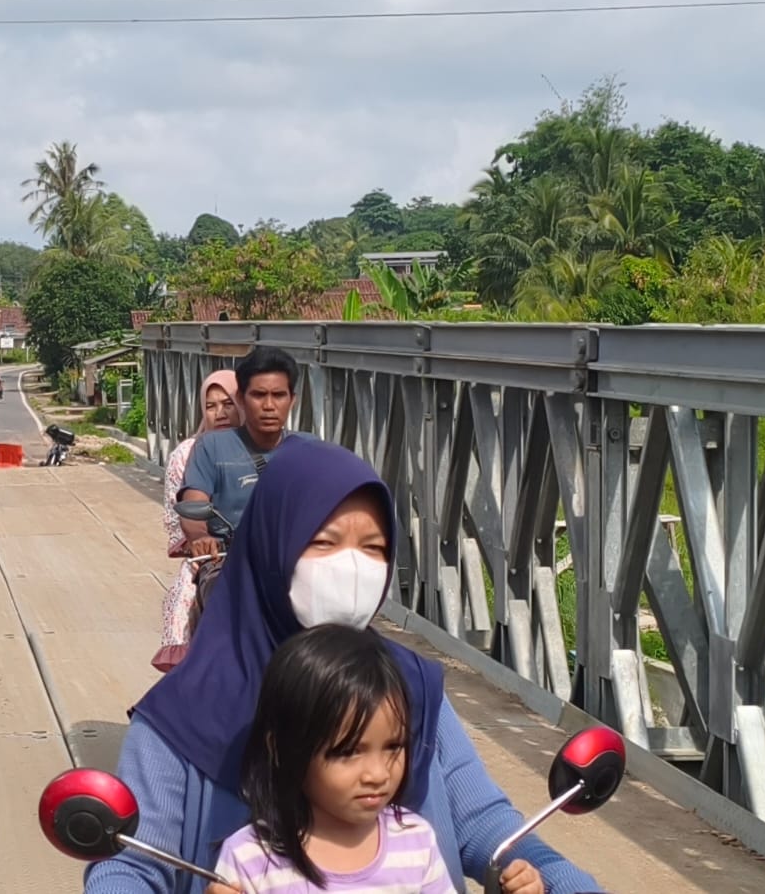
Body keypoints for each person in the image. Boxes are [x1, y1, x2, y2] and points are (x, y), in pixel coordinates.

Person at [83, 436, 599, 894]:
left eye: (373, 548)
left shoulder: (405, 687)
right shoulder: (184, 715)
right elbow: (130, 866)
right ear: (271, 545)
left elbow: (486, 826)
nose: (351, 568)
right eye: (324, 542)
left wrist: (557, 881)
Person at [212, 624, 541, 894]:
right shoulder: (250, 860)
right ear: (282, 749)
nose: (377, 773)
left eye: (393, 747)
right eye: (349, 751)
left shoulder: (415, 842)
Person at [178, 345, 315, 557]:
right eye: (259, 395)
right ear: (241, 399)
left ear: (292, 400)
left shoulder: (311, 449)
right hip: (229, 562)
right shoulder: (211, 446)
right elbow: (194, 501)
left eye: (278, 395)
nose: (269, 405)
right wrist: (200, 537)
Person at [154, 369, 242, 672]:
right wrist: (200, 540)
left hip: (262, 551)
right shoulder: (186, 454)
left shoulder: (265, 448)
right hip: (212, 554)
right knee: (187, 600)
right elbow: (178, 512)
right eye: (210, 405)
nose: (220, 413)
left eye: (228, 403)